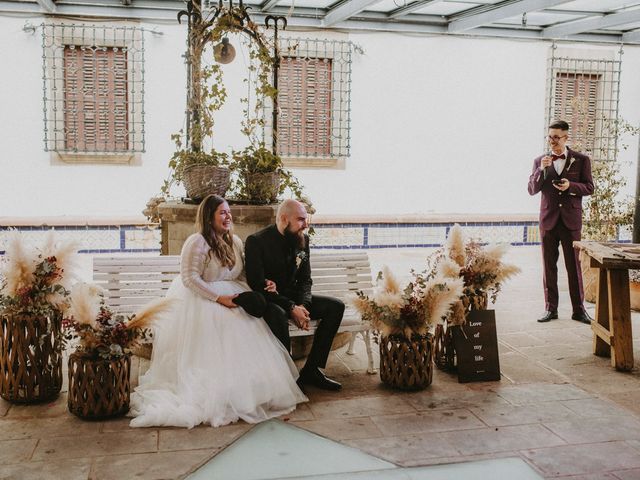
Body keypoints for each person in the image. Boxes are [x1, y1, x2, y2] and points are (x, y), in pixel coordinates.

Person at [129, 194, 307, 428]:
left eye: (229, 212)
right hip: (203, 300)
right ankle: (216, 393)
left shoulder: (235, 242)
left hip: (233, 297)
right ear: (209, 216)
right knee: (222, 335)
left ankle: (247, 390)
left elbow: (241, 274)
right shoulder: (197, 242)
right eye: (222, 212)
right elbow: (189, 278)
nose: (228, 216)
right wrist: (219, 298)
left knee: (250, 329)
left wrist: (265, 284)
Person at [245, 199, 345, 391]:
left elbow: (306, 280)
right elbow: (258, 285)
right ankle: (287, 375)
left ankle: (312, 370)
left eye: (305, 219)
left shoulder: (302, 239)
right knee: (277, 315)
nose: (305, 224)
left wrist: (303, 307)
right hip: (271, 300)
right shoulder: (256, 242)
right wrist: (291, 308)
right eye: (300, 219)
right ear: (284, 219)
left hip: (295, 299)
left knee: (335, 307)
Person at [528, 120, 594, 324]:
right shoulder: (540, 160)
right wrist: (541, 170)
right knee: (549, 267)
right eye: (550, 137)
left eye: (556, 137)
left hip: (570, 221)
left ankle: (579, 310)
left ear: (566, 137)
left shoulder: (581, 160)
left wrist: (571, 186)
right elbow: (532, 189)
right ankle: (551, 309)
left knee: (574, 267)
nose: (552, 141)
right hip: (548, 221)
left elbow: (590, 187)